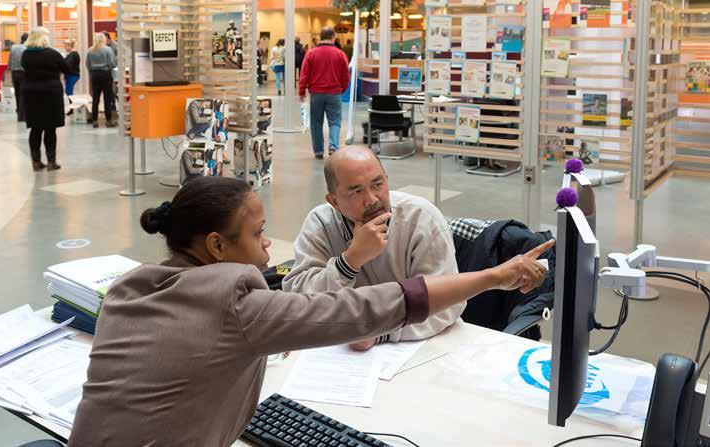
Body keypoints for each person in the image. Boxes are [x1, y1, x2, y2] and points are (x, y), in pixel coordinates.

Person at [67, 176, 552, 446]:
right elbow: (368, 305)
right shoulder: (238, 302)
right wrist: (494, 277)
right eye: (257, 233)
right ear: (217, 246)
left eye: (377, 184)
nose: (265, 245)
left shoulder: (128, 290)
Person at [283, 146, 468, 350]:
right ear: (334, 201)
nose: (371, 199)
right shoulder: (321, 223)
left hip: (423, 346)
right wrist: (349, 262)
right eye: (356, 191)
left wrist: (380, 333)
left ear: (387, 180)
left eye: (377, 184)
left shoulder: (422, 219)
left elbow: (447, 304)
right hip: (343, 354)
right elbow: (297, 300)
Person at [21, 27, 68, 171]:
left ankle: (36, 162)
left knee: (35, 128)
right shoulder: (53, 54)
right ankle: (51, 162)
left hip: (30, 92)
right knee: (50, 128)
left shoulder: (25, 54)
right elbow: (66, 68)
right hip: (50, 92)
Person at [299, 27, 349, 159]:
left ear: (321, 37)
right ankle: (333, 147)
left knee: (316, 122)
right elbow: (346, 76)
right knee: (335, 122)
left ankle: (318, 151)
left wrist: (301, 91)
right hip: (334, 93)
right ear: (333, 36)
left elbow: (304, 75)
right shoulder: (340, 54)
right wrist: (341, 89)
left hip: (316, 93)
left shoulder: (311, 53)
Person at [86, 33, 117, 128]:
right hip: (105, 74)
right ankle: (108, 121)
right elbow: (112, 63)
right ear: (104, 40)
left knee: (95, 97)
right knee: (107, 98)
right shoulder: (108, 49)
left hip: (95, 75)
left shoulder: (90, 50)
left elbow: (87, 64)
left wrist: (92, 72)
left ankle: (95, 121)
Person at [8, 33, 28, 121]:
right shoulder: (27, 48)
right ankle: (22, 115)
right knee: (23, 93)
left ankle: (18, 109)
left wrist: (10, 69)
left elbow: (10, 59)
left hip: (14, 72)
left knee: (17, 92)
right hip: (24, 73)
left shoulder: (14, 47)